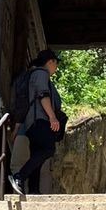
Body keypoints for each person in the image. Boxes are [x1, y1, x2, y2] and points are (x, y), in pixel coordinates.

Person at [9, 48, 63, 196]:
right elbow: (42, 95)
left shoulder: (34, 75)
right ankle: (19, 177)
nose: (56, 67)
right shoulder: (41, 73)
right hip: (40, 120)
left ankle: (34, 190)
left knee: (37, 155)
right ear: (50, 61)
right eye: (56, 63)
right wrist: (52, 117)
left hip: (31, 123)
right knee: (48, 149)